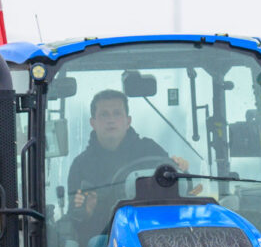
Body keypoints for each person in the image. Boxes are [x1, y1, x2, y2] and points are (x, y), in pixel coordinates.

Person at [66, 89, 189, 232]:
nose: (110, 120)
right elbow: (74, 220)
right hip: (103, 239)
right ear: (93, 122)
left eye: (117, 113)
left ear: (128, 121)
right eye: (104, 114)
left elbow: (180, 188)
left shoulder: (150, 150)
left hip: (153, 230)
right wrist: (85, 213)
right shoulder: (81, 165)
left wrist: (183, 169)